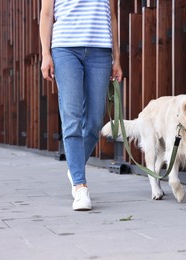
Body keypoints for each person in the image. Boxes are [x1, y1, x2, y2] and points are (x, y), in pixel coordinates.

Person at [39, 0, 122, 210]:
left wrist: (117, 58)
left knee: (95, 121)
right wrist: (45, 54)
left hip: (100, 51)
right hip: (65, 50)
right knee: (72, 116)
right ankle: (80, 186)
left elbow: (112, 16)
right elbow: (47, 14)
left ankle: (74, 166)